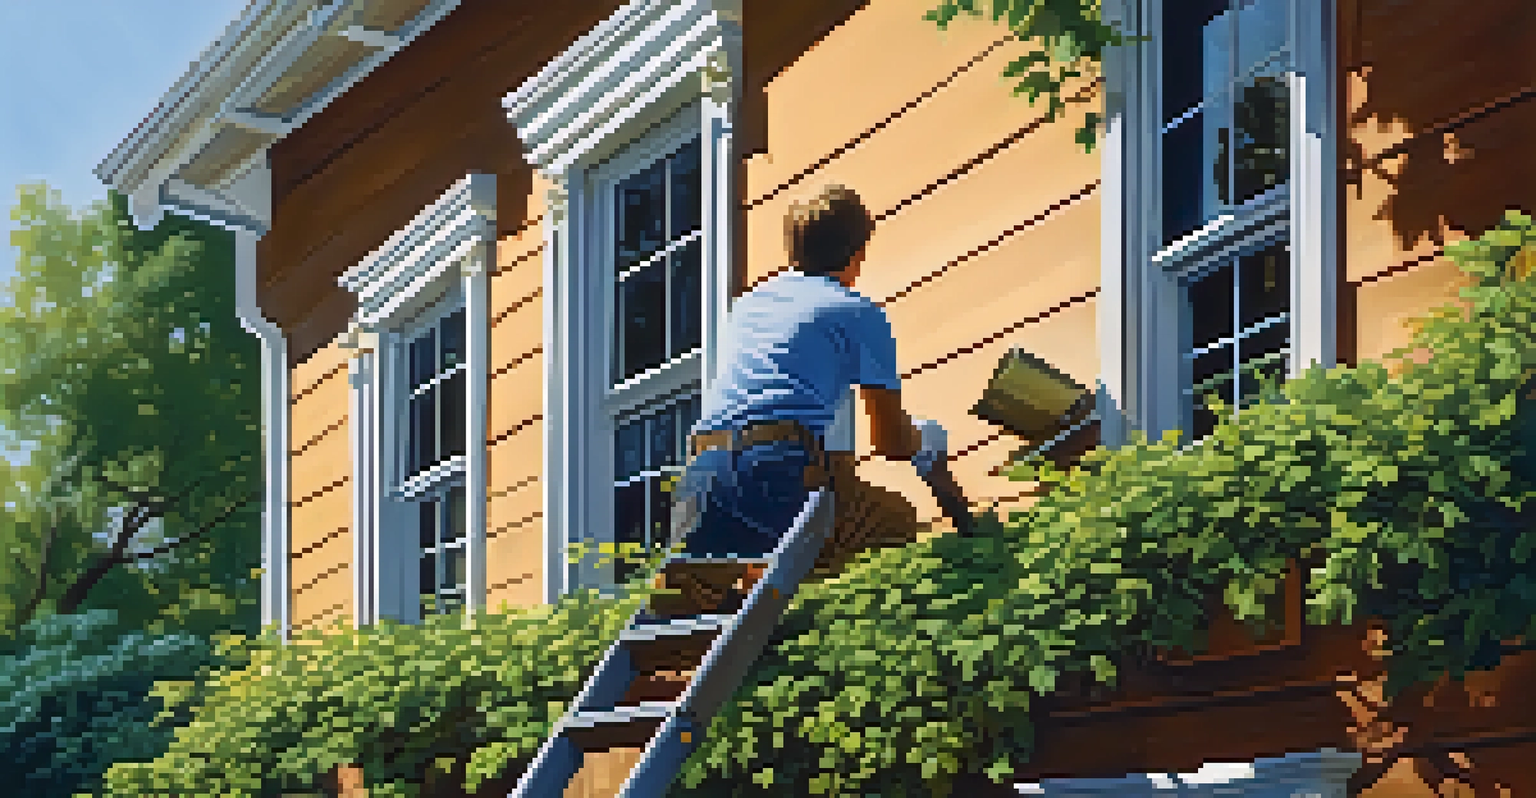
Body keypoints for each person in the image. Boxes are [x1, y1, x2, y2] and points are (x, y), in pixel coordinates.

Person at [661, 184, 965, 606]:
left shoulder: (747, 308)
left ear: (794, 250)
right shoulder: (855, 312)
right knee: (893, 522)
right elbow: (891, 442)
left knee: (704, 612)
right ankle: (824, 627)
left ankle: (745, 597)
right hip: (775, 472)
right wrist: (928, 441)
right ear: (858, 251)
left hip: (702, 480)